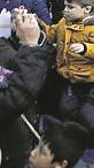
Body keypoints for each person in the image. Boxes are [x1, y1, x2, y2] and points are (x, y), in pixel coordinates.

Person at [40, 0, 94, 119]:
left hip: (89, 79)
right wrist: (36, 24)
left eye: (70, 7)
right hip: (67, 74)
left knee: (76, 109)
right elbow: (52, 34)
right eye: (65, 6)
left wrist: (86, 48)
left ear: (87, 9)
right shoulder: (65, 22)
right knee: (60, 105)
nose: (65, 11)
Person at [0, 11, 52, 167]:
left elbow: (11, 60)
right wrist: (30, 45)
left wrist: (20, 36)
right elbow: (12, 99)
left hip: (17, 139)